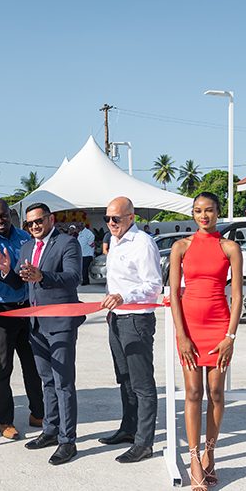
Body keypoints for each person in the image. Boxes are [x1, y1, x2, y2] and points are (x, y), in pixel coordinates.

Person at [0, 202, 84, 466]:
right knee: (47, 381)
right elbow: (21, 281)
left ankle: (68, 440)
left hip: (61, 323)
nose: (34, 227)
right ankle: (51, 430)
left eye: (38, 221)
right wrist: (7, 270)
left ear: (50, 219)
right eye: (30, 224)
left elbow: (73, 277)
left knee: (63, 382)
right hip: (36, 324)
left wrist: (43, 275)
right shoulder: (27, 247)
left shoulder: (68, 243)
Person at [169, 192, 242, 491]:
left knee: (215, 392)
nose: (203, 215)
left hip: (219, 329)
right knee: (193, 393)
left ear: (218, 212)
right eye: (198, 211)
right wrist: (181, 335)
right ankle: (194, 460)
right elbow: (173, 292)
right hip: (190, 329)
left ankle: (210, 453)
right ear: (193, 214)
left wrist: (230, 337)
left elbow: (237, 295)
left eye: (209, 210)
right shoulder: (180, 247)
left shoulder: (230, 247)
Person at [97, 197, 163, 464]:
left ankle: (144, 443)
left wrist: (124, 297)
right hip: (117, 318)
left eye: (116, 219)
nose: (111, 224)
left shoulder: (143, 243)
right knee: (124, 378)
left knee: (142, 383)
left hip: (136, 319)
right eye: (108, 219)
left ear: (131, 217)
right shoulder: (115, 240)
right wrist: (113, 306)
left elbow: (154, 285)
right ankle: (128, 429)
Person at [0, 199, 44, 440]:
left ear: (10, 215)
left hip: (26, 309)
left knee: (33, 364)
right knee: (3, 367)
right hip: (0, 314)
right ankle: (5, 422)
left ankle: (38, 412)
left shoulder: (25, 238)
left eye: (3, 216)